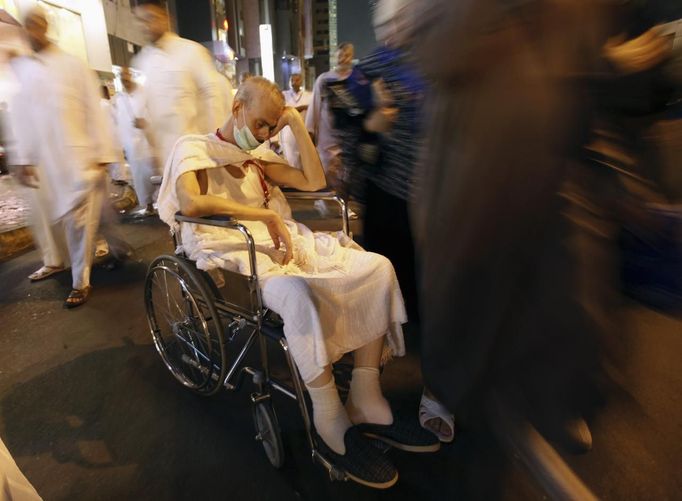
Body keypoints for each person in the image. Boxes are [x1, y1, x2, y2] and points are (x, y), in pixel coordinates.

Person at [158, 77, 439, 489]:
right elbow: (191, 203)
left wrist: (291, 121)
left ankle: (366, 399)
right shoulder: (194, 148)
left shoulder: (255, 155)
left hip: (279, 242)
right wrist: (266, 216)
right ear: (237, 107)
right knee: (296, 292)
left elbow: (313, 180)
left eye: (271, 127)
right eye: (261, 124)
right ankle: (329, 417)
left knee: (377, 267)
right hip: (234, 250)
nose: (266, 134)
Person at [8, 7, 119, 307]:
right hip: (47, 165)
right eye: (27, 27)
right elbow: (21, 118)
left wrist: (104, 153)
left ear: (45, 27)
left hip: (79, 163)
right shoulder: (23, 70)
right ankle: (109, 250)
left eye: (36, 26)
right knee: (70, 222)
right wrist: (21, 158)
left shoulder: (73, 65)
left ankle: (80, 282)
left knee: (78, 224)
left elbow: (94, 111)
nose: (32, 32)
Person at [132, 0, 227, 168]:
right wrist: (151, 151)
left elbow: (214, 99)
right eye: (140, 21)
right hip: (164, 160)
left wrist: (215, 148)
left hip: (195, 155)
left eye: (150, 18)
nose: (145, 26)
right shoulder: (143, 62)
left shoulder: (191, 51)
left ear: (166, 18)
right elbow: (146, 115)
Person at [305, 43, 358, 217]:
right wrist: (310, 133)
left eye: (348, 55)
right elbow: (314, 108)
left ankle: (341, 204)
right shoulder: (324, 79)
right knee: (329, 173)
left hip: (348, 138)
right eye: (341, 55)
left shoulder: (356, 79)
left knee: (346, 175)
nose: (344, 58)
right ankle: (326, 203)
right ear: (335, 56)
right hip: (327, 138)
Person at [115, 66, 157, 216]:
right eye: (121, 76)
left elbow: (156, 113)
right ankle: (149, 205)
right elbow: (120, 122)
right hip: (132, 147)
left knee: (154, 173)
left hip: (148, 143)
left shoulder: (144, 94)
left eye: (126, 75)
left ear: (131, 75)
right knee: (140, 178)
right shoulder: (120, 98)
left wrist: (146, 124)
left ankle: (166, 203)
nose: (124, 78)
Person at [279, 73, 312, 169]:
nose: (294, 83)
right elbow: (283, 111)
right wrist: (302, 107)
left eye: (297, 80)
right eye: (292, 80)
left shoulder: (308, 96)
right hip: (288, 132)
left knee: (303, 158)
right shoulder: (284, 95)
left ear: (301, 81)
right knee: (290, 159)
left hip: (303, 130)